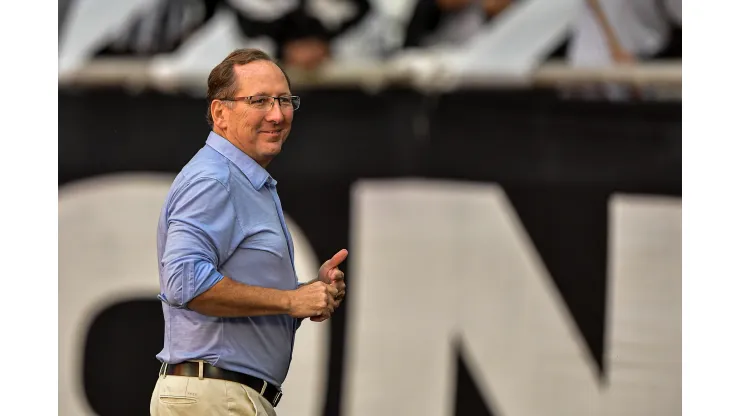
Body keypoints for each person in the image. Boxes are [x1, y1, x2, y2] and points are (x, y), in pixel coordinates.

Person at [149, 48, 347, 416]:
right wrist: (290, 302)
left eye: (284, 100)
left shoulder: (237, 179)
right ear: (219, 113)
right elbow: (184, 284)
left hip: (220, 396)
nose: (277, 114)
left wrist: (304, 296)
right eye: (259, 101)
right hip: (214, 397)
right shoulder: (214, 179)